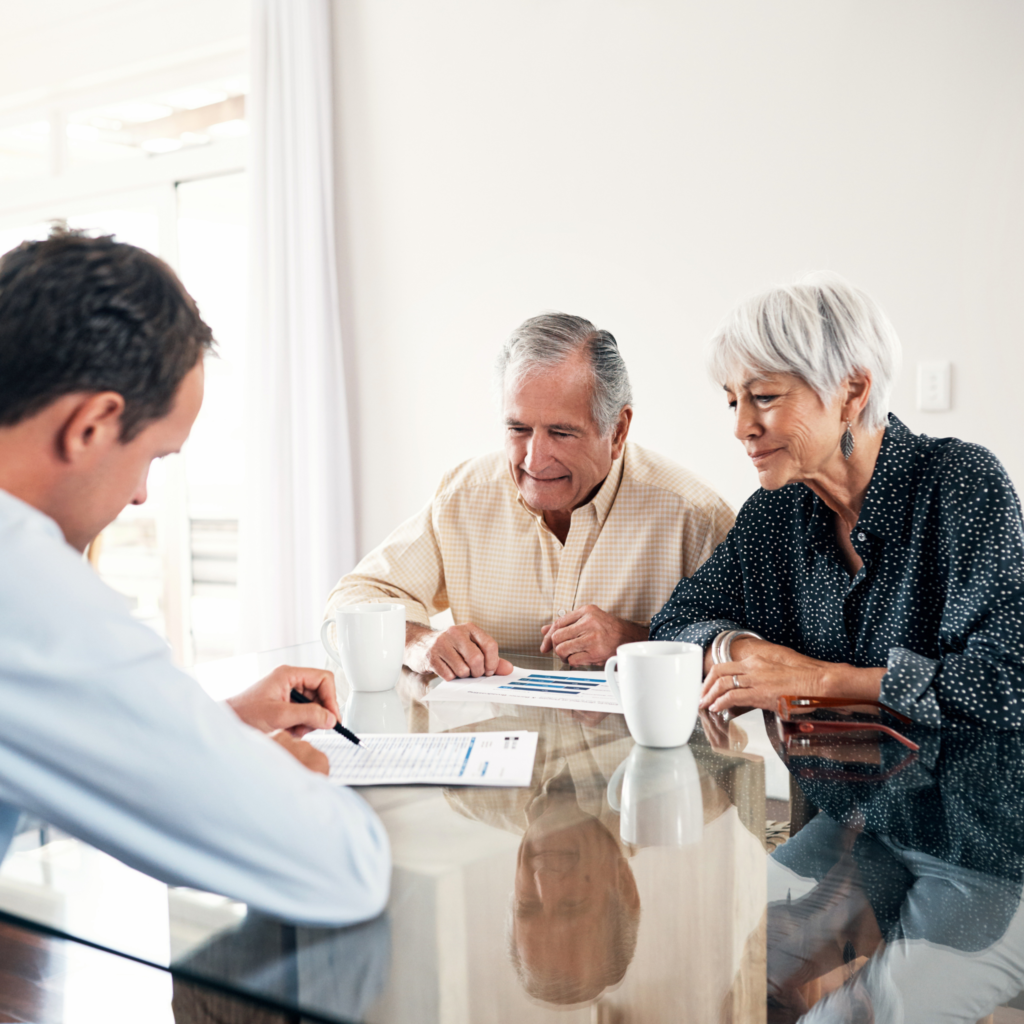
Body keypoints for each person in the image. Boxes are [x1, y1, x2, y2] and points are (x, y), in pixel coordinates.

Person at [0, 230, 389, 925]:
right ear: (92, 425)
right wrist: (273, 780)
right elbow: (340, 867)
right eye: (154, 456)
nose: (143, 496)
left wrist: (218, 729)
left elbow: (37, 763)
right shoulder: (21, 577)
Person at [650, 272, 1024, 728]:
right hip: (827, 797)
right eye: (733, 402)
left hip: (953, 796)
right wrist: (752, 656)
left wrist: (823, 682)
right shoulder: (774, 511)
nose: (741, 426)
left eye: (764, 396)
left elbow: (1004, 683)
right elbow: (675, 623)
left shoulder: (961, 483)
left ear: (852, 393)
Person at [327, 313, 735, 680]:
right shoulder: (464, 497)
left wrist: (636, 641)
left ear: (618, 431)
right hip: (500, 757)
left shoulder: (694, 516)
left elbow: (750, 652)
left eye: (561, 432)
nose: (534, 460)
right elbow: (352, 601)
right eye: (518, 429)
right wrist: (419, 642)